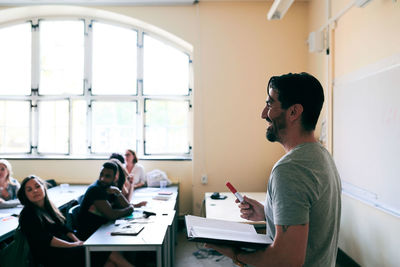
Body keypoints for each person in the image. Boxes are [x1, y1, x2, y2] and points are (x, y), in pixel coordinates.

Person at [206, 72, 342, 267]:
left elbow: (286, 260)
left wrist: (236, 254)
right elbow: (312, 222)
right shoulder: (321, 156)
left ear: (294, 112)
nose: (263, 113)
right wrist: (268, 212)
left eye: (270, 104)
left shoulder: (289, 169)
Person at [17, 175, 85, 267]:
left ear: (43, 188)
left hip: (63, 249)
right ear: (25, 195)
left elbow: (64, 227)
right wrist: (71, 245)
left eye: (37, 186)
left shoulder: (48, 207)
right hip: (50, 255)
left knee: (92, 250)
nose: (35, 191)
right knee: (96, 253)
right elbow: (45, 239)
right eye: (29, 190)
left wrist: (77, 241)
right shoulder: (28, 214)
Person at [77, 161, 135, 267]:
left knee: (110, 264)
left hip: (102, 232)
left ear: (115, 178)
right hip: (89, 236)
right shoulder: (96, 189)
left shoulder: (111, 188)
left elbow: (125, 206)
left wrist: (118, 192)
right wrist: (129, 209)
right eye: (101, 175)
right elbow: (112, 215)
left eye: (107, 176)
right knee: (115, 261)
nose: (103, 179)